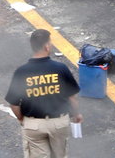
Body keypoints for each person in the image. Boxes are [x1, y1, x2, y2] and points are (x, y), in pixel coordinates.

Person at [5, 29, 82, 158]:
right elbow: (72, 97)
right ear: (46, 46)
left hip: (34, 125)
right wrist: (76, 114)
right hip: (59, 123)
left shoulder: (22, 72)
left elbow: (14, 104)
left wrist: (23, 120)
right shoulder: (60, 68)